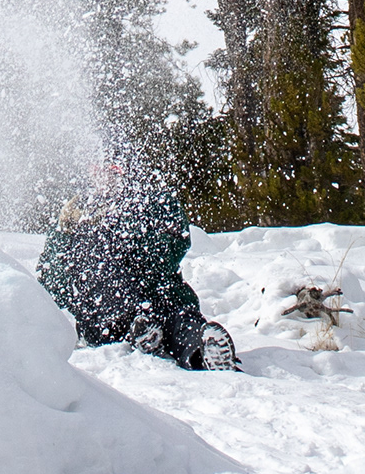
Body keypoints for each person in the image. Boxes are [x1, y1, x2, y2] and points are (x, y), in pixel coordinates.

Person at [37, 153, 227, 369]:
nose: (107, 176)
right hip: (106, 317)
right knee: (121, 321)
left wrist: (131, 235)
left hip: (162, 298)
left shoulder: (151, 201)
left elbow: (177, 243)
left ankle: (205, 352)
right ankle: (142, 336)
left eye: (113, 169)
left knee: (183, 321)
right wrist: (65, 234)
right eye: (99, 168)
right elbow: (52, 281)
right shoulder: (77, 213)